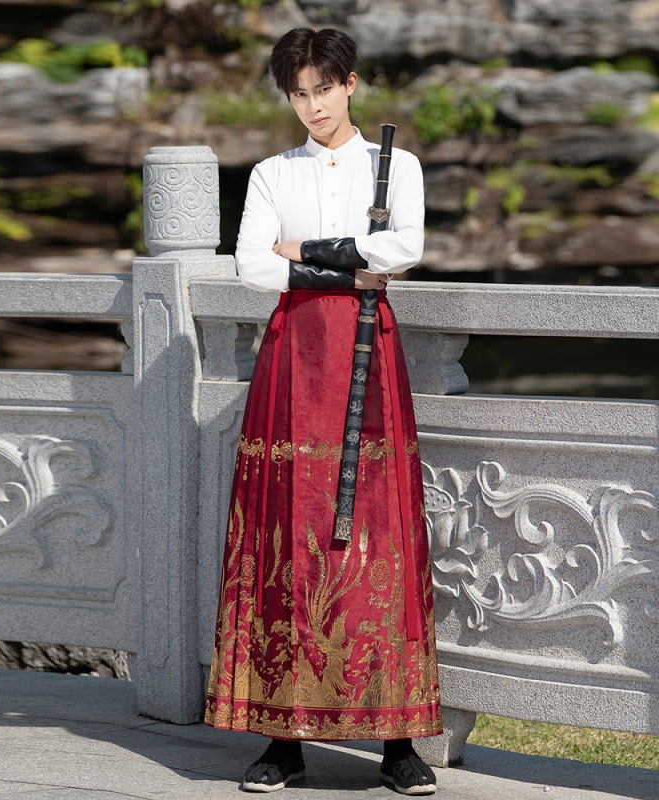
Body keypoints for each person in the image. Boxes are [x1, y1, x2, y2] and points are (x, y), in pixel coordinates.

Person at [204, 26, 443, 795]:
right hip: (295, 358)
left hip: (369, 353)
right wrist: (347, 263)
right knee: (291, 525)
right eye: (299, 93)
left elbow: (403, 250)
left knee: (377, 530)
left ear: (350, 85)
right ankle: (283, 738)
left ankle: (397, 740)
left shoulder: (395, 165)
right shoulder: (272, 172)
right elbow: (249, 266)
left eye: (324, 89)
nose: (312, 105)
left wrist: (303, 252)